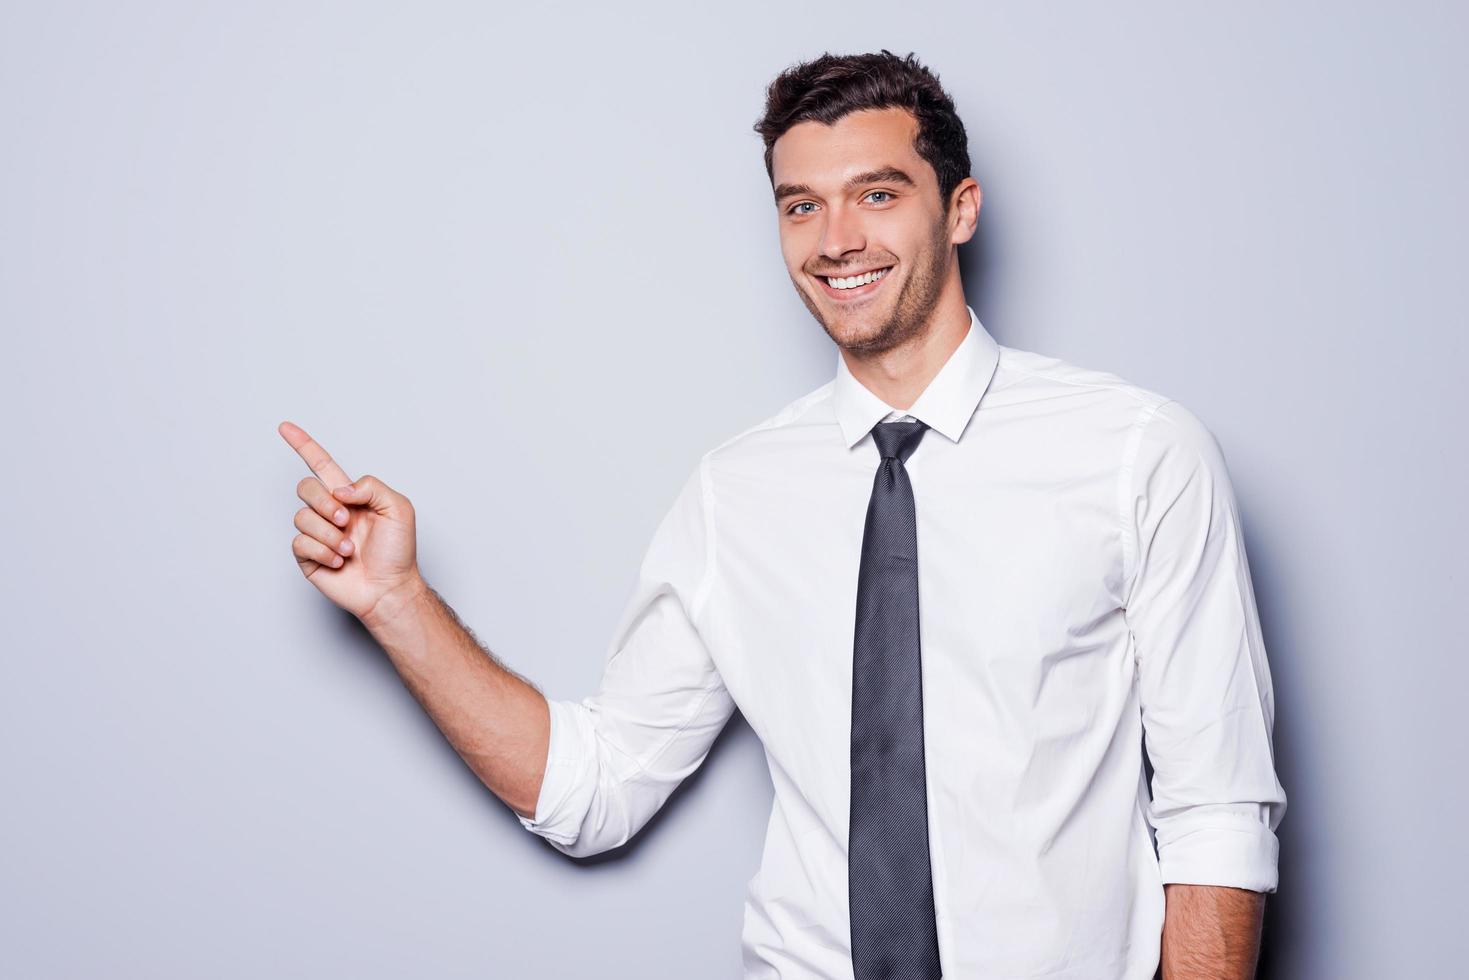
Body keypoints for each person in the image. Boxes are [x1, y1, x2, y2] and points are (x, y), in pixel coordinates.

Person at [279, 50, 1286, 980]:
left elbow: (1215, 811)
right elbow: (593, 790)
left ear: (960, 208)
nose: (835, 239)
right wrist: (396, 601)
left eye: (876, 195)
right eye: (798, 206)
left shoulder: (1133, 452)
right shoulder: (736, 492)